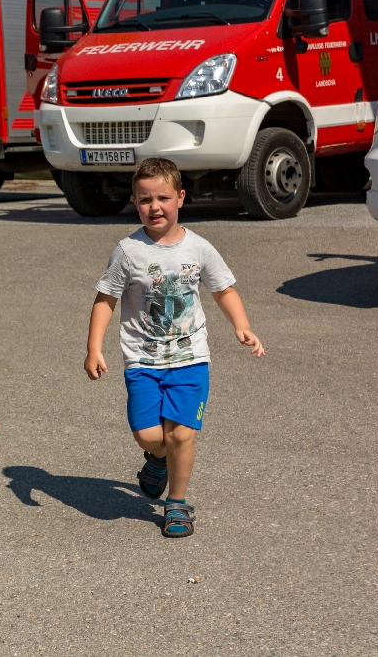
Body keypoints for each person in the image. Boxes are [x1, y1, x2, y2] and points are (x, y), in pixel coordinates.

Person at [84, 157, 265, 538]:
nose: (155, 207)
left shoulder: (198, 248)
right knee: (151, 437)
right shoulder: (128, 251)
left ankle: (177, 504)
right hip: (142, 361)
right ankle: (157, 460)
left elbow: (223, 289)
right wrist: (94, 348)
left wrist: (242, 325)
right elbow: (106, 300)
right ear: (135, 202)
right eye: (145, 199)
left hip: (190, 358)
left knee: (181, 435)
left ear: (180, 197)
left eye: (163, 198)